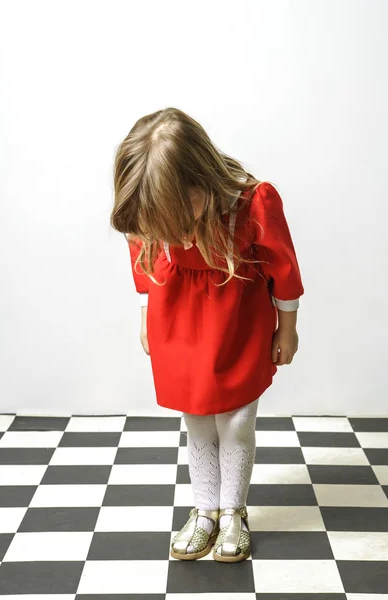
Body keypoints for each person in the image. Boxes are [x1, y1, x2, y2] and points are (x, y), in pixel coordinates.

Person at [110, 107, 304, 562]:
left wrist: (288, 328)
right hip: (177, 320)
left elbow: (284, 268)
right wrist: (145, 315)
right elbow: (141, 257)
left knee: (236, 421)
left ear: (202, 181)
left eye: (178, 216)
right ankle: (205, 510)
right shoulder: (148, 206)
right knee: (196, 418)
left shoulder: (254, 202)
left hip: (238, 322)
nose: (172, 232)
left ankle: (233, 511)